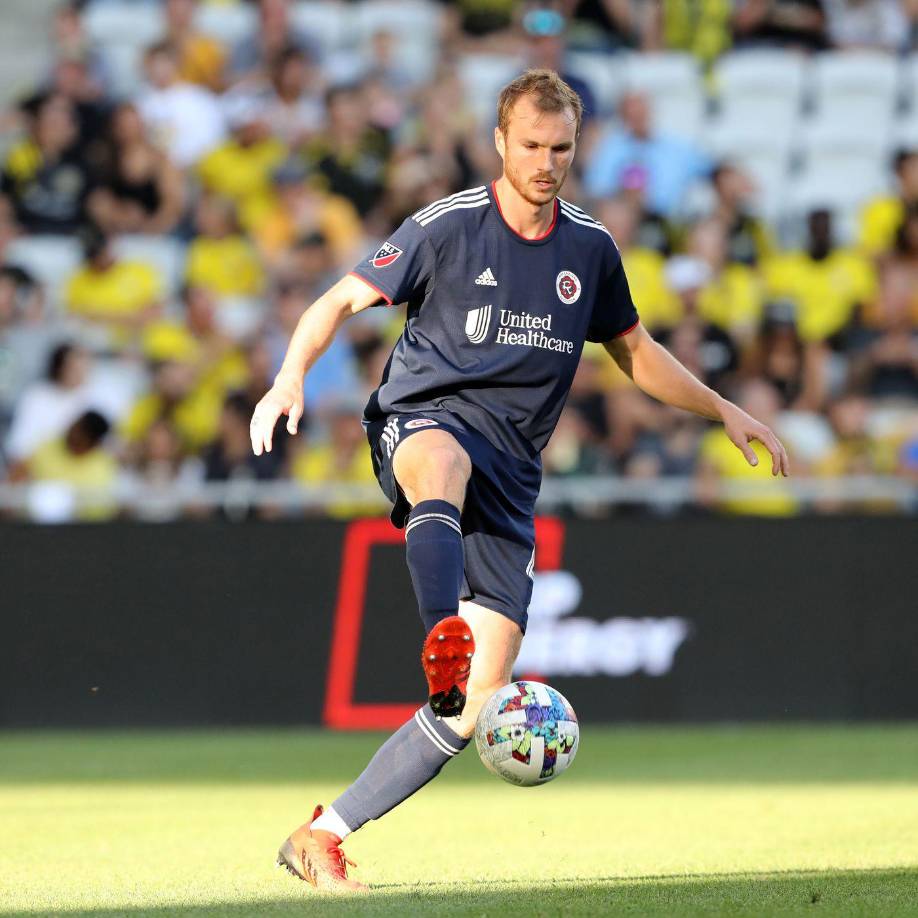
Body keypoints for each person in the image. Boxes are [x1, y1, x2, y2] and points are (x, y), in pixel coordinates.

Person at [248, 69, 788, 893]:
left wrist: (724, 409)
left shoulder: (589, 248)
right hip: (420, 419)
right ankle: (441, 633)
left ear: (577, 147)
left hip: (512, 477)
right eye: (531, 146)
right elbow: (336, 302)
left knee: (467, 711)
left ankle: (321, 834)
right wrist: (289, 379)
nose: (546, 162)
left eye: (561, 148)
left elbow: (636, 353)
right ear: (500, 141)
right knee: (443, 462)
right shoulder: (446, 227)